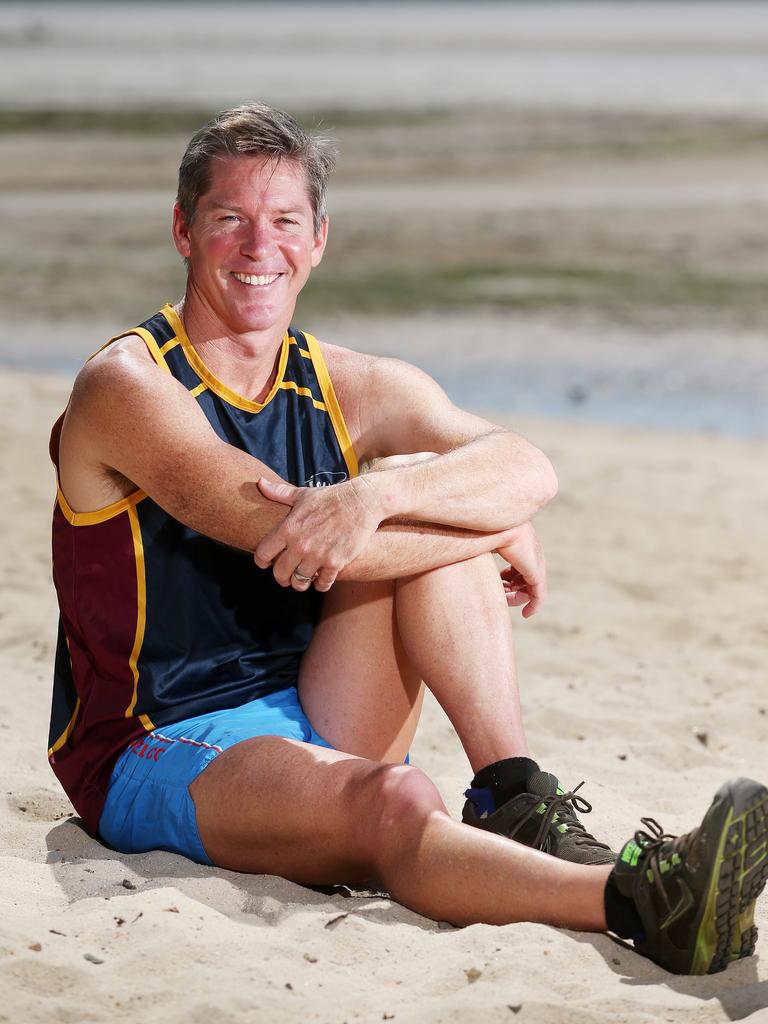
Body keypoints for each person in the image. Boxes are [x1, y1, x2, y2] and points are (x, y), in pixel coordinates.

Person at [47, 103, 767, 976]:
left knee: (430, 497)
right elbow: (277, 536)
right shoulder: (128, 385)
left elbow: (525, 461)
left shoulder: (344, 383)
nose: (256, 247)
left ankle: (511, 793)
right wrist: (480, 521)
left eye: (283, 222)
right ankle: (638, 901)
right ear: (183, 231)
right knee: (395, 797)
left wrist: (385, 493)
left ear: (318, 240)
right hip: (159, 739)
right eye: (229, 218)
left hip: (318, 703)